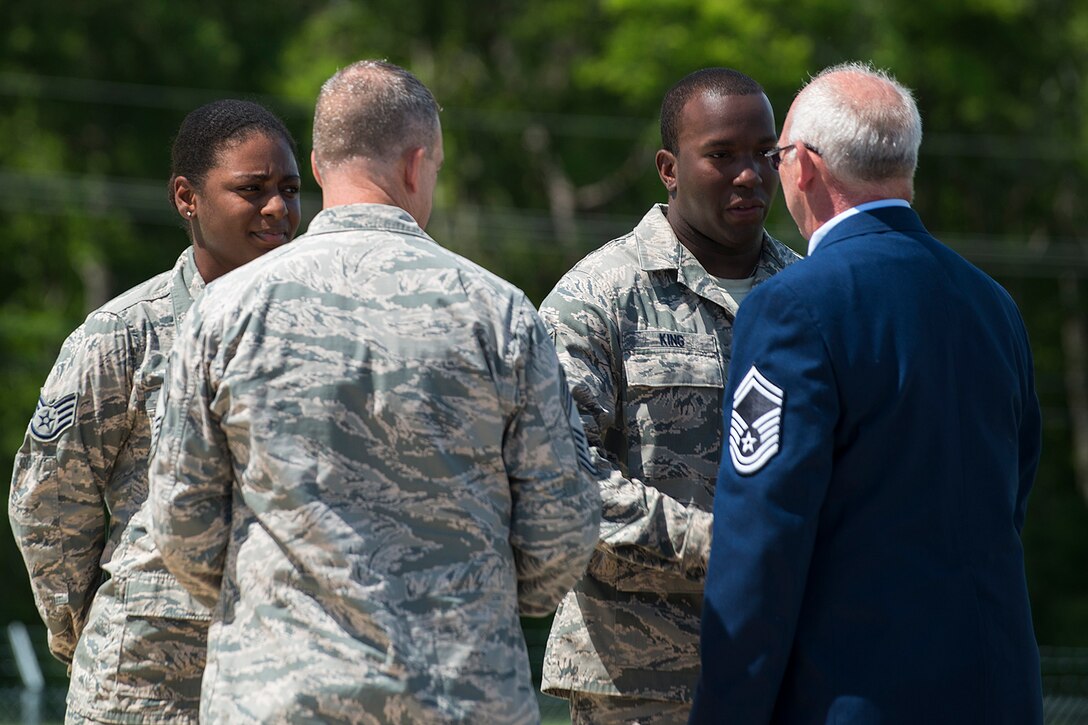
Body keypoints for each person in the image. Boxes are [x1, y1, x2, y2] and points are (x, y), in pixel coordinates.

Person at [146, 59, 601, 724]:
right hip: (460, 698)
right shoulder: (499, 313)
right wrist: (481, 592)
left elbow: (181, 526)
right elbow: (562, 533)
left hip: (277, 697)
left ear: (319, 164)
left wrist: (277, 603)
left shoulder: (224, 312)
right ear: (417, 164)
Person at [690, 62, 1043, 724]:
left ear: (805, 169)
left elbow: (761, 545)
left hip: (853, 699)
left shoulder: (792, 307)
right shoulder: (994, 306)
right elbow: (1008, 497)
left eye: (776, 154)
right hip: (999, 692)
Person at [9, 99, 301, 724]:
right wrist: (92, 627)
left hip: (286, 681)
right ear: (187, 198)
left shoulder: (323, 331)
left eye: (290, 189)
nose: (277, 209)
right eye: (252, 190)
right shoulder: (123, 335)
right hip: (146, 687)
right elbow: (49, 501)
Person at [540, 68, 799, 723]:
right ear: (669, 167)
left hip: (788, 667)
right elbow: (562, 480)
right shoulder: (596, 299)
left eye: (764, 153)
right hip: (640, 679)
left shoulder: (809, 293)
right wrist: (724, 546)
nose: (750, 174)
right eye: (721, 155)